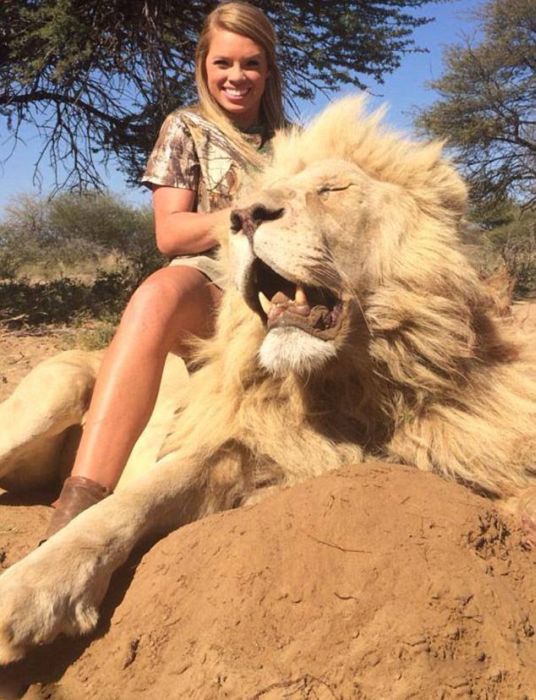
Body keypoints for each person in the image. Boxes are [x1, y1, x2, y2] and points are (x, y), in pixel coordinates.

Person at [44, 1, 287, 538]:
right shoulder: (185, 127)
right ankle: (78, 505)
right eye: (223, 63)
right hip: (211, 280)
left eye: (251, 63)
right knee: (157, 296)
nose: (237, 76)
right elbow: (170, 234)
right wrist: (246, 217)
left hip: (278, 285)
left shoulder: (296, 142)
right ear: (204, 66)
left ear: (269, 69)